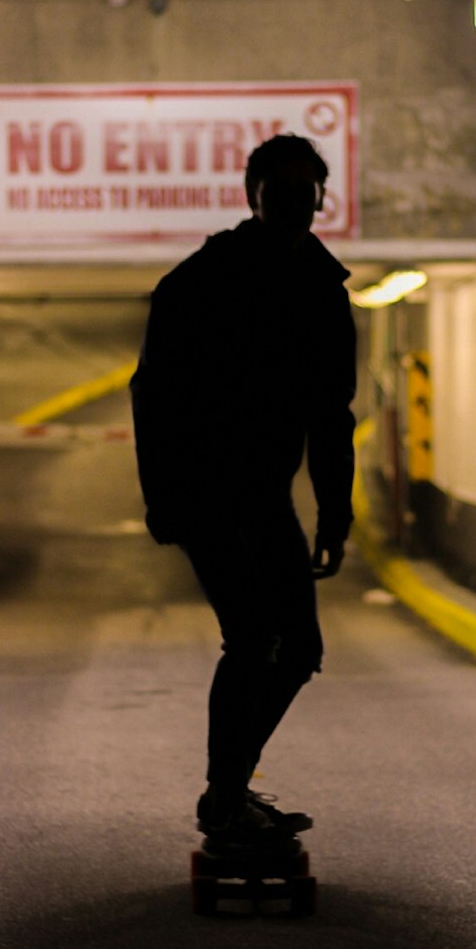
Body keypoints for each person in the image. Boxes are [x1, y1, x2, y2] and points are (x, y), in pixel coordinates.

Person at [130, 133, 356, 849]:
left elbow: (330, 414)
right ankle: (226, 797)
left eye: (305, 191)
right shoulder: (198, 284)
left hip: (265, 495)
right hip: (205, 493)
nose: (293, 203)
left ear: (320, 198)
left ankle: (227, 789)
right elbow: (153, 395)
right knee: (256, 636)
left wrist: (336, 510)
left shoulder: (322, 291)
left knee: (299, 648)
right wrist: (162, 497)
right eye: (278, 190)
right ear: (250, 196)